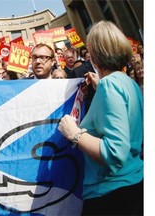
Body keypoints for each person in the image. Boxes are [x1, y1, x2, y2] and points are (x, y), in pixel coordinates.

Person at [58, 21, 143, 215]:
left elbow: (115, 152)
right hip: (132, 184)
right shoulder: (127, 83)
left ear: (95, 54)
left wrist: (74, 133)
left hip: (112, 196)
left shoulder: (110, 86)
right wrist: (100, 88)